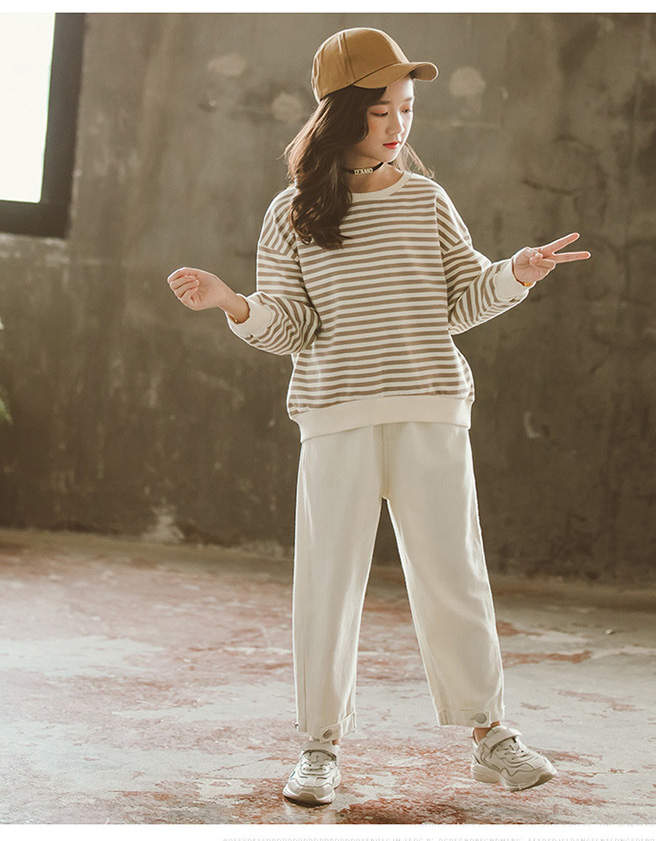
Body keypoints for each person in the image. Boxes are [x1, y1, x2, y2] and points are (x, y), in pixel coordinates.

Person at [167, 26, 591, 807]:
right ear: (341, 114)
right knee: (326, 587)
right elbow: (291, 325)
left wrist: (518, 273)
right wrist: (232, 303)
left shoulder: (427, 201)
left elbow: (461, 299)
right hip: (336, 417)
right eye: (380, 110)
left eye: (407, 108)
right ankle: (318, 746)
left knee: (455, 576)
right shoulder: (292, 214)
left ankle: (491, 734)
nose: (398, 124)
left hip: (431, 409)